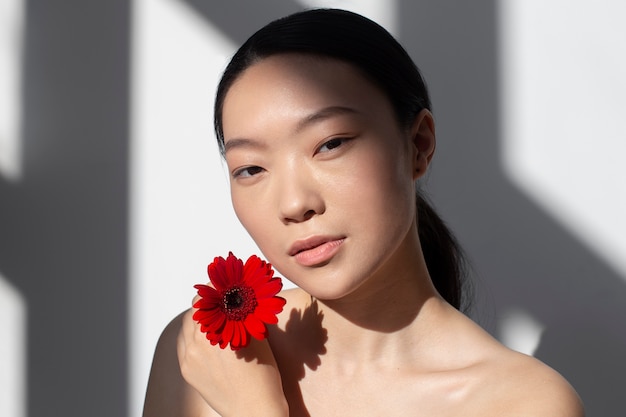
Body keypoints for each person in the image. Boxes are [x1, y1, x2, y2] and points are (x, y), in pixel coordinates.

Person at [142, 8, 584, 417]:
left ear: (418, 145)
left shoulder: (522, 403)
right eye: (251, 168)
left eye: (330, 144)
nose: (295, 204)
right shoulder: (207, 353)